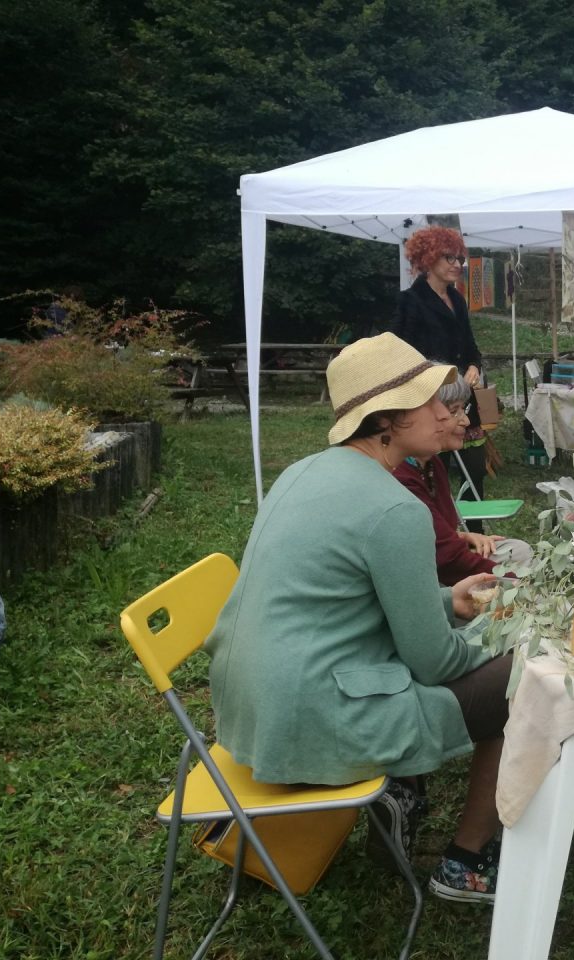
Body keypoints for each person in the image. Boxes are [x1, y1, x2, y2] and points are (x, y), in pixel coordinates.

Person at [205, 333, 510, 904]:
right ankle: (467, 862)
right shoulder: (396, 507)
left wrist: (449, 602)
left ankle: (407, 804)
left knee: (495, 663)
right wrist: (507, 632)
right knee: (529, 677)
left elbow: (345, 601)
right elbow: (434, 660)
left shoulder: (302, 472)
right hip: (314, 719)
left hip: (249, 710)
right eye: (429, 398)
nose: (446, 408)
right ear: (388, 419)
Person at [394, 372, 533, 586]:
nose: (466, 420)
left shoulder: (431, 464)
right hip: (431, 581)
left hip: (443, 566)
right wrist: (520, 583)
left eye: (464, 409)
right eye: (453, 411)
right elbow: (447, 559)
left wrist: (462, 537)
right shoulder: (401, 479)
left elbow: (433, 535)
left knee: (520, 551)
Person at [392, 225, 490, 519]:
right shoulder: (410, 301)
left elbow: (471, 348)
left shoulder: (458, 300)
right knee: (436, 470)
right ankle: (442, 531)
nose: (457, 265)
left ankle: (477, 535)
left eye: (459, 258)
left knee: (474, 468)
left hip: (462, 399)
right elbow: (398, 353)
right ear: (428, 258)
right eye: (449, 258)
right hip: (430, 401)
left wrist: (474, 366)